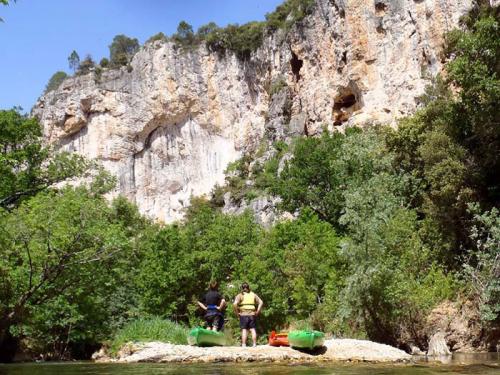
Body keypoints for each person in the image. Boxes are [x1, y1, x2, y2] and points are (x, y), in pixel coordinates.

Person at [233, 282, 263, 347]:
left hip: (243, 314)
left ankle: (244, 344)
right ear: (249, 287)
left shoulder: (240, 295)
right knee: (252, 329)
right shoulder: (253, 294)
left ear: (242, 288)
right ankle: (254, 344)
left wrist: (236, 312)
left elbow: (235, 304)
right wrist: (257, 311)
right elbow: (261, 302)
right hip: (252, 314)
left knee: (244, 329)